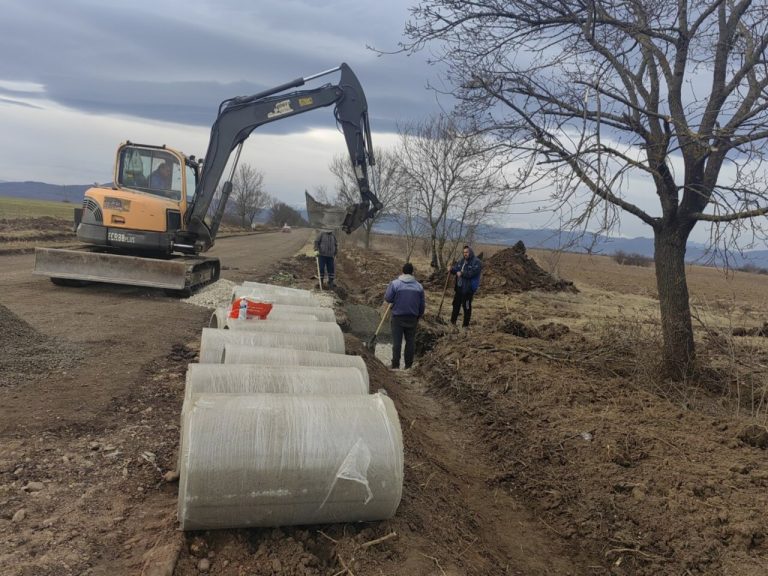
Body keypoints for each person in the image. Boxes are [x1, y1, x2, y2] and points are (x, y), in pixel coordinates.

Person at [384, 262, 425, 370]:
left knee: (397, 342)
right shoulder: (419, 287)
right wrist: (419, 315)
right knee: (410, 342)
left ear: (402, 271)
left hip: (398, 317)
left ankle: (395, 365)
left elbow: (388, 298)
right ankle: (408, 365)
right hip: (412, 317)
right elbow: (422, 305)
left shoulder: (395, 284)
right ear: (412, 272)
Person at [449, 245, 482, 328]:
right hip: (459, 288)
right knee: (456, 304)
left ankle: (465, 325)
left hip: (468, 289)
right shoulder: (462, 261)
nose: (465, 254)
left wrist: (462, 273)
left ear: (470, 252)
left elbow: (472, 273)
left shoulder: (476, 262)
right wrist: (451, 269)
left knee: (466, 307)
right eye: (464, 252)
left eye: (466, 252)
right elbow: (456, 269)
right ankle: (452, 322)